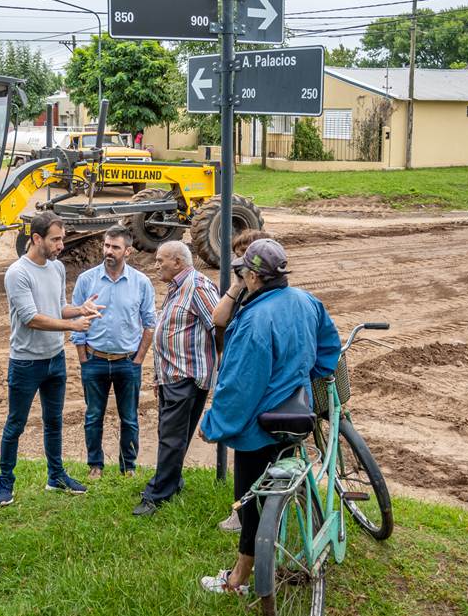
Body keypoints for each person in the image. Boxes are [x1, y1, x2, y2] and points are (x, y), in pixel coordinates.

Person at [198, 239, 341, 595]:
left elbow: (239, 385)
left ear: (252, 276)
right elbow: (329, 347)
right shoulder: (306, 300)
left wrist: (214, 424)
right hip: (297, 413)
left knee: (251, 502)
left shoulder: (254, 320)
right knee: (283, 483)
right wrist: (311, 378)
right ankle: (279, 546)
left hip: (258, 428)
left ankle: (237, 580)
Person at [0, 211, 104, 506]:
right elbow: (32, 318)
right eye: (55, 240)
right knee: (15, 424)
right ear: (36, 238)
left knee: (54, 421)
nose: (60, 245)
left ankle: (56, 476)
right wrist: (73, 326)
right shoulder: (18, 273)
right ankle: (5, 483)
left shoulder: (56, 269)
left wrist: (80, 310)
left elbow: (58, 308)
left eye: (62, 239)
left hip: (55, 358)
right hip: (26, 362)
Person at [133, 241, 220, 516]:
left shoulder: (198, 287)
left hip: (187, 376)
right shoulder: (177, 287)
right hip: (173, 375)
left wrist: (216, 362)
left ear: (178, 262)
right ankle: (172, 481)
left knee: (171, 436)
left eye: (161, 260)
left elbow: (219, 325)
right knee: (171, 434)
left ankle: (158, 494)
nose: (156, 265)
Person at [71, 225, 156, 479]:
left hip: (127, 363)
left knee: (129, 418)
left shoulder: (141, 283)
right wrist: (83, 358)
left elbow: (150, 323)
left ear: (127, 251)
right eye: (107, 245)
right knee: (93, 416)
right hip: (94, 361)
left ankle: (128, 467)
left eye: (115, 247)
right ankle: (94, 465)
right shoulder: (87, 280)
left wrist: (138, 359)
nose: (108, 251)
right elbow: (77, 320)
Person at [212, 228, 273, 534]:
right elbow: (218, 319)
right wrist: (236, 286)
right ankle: (244, 511)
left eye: (243, 257)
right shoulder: (242, 291)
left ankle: (256, 514)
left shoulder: (269, 295)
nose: (238, 263)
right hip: (240, 374)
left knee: (256, 449)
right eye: (236, 256)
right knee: (245, 451)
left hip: (259, 383)